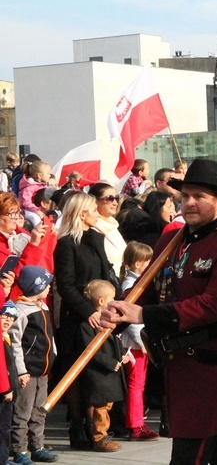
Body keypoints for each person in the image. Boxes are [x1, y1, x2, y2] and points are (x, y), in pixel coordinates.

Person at [100, 158, 217, 464]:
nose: (189, 203)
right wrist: (120, 310)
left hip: (213, 369)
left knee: (192, 454)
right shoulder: (171, 240)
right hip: (179, 367)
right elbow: (146, 290)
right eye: (185, 196)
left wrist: (143, 315)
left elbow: (213, 305)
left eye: (199, 196)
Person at [53, 192, 119, 450]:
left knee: (97, 374)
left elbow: (106, 274)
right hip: (77, 318)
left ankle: (98, 430)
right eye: (93, 210)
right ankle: (78, 427)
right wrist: (86, 310)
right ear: (82, 214)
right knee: (78, 375)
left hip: (101, 314)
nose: (97, 213)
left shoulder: (97, 239)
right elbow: (65, 285)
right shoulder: (66, 244)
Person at [8, 266, 58, 463]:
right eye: (46, 285)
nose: (49, 289)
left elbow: (49, 335)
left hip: (43, 370)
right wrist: (20, 371)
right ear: (36, 287)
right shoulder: (20, 311)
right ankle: (19, 450)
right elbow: (15, 344)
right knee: (22, 411)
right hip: (27, 372)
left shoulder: (43, 307)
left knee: (39, 410)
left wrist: (53, 353)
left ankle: (37, 445)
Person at [77, 280, 128, 452]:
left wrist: (121, 355)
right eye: (111, 298)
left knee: (107, 405)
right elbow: (91, 351)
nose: (113, 301)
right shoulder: (87, 325)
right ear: (101, 301)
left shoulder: (108, 320)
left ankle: (103, 434)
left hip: (109, 374)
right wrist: (111, 362)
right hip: (99, 374)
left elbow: (115, 339)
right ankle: (99, 437)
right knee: (101, 406)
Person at [118, 242, 159, 441]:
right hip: (133, 344)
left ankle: (138, 422)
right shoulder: (130, 284)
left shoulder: (136, 281)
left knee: (139, 384)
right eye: (146, 262)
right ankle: (135, 425)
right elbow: (130, 317)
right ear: (136, 264)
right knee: (136, 385)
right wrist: (141, 341)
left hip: (137, 343)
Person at [89, 183, 128, 276]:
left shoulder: (113, 226)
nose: (115, 203)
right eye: (110, 198)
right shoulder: (92, 228)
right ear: (95, 202)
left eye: (116, 198)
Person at [0, 301, 19, 465]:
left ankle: (4, 458)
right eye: (5, 316)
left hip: (9, 389)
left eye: (11, 318)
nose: (8, 321)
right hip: (3, 391)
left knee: (5, 428)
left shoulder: (7, 338)